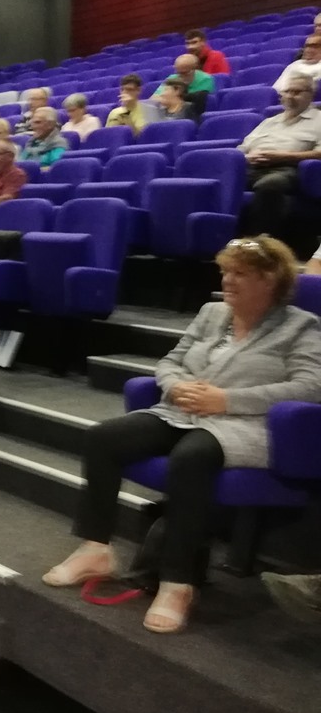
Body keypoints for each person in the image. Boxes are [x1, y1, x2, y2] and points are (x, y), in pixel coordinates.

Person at [42, 236, 321, 634]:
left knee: (191, 458)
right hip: (182, 411)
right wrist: (175, 387)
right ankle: (95, 549)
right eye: (225, 271)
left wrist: (227, 400)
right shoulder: (212, 312)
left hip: (244, 423)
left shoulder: (301, 326)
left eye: (240, 273)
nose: (227, 280)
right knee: (104, 438)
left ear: (270, 279)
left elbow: (310, 387)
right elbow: (170, 361)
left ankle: (177, 583)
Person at [238, 73, 321, 238]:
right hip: (252, 166)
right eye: (287, 92)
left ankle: (261, 242)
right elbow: (242, 148)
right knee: (222, 182)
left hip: (289, 169)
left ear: (310, 95)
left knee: (270, 185)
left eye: (296, 92)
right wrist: (247, 158)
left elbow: (319, 154)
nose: (290, 96)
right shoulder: (269, 121)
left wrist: (281, 156)